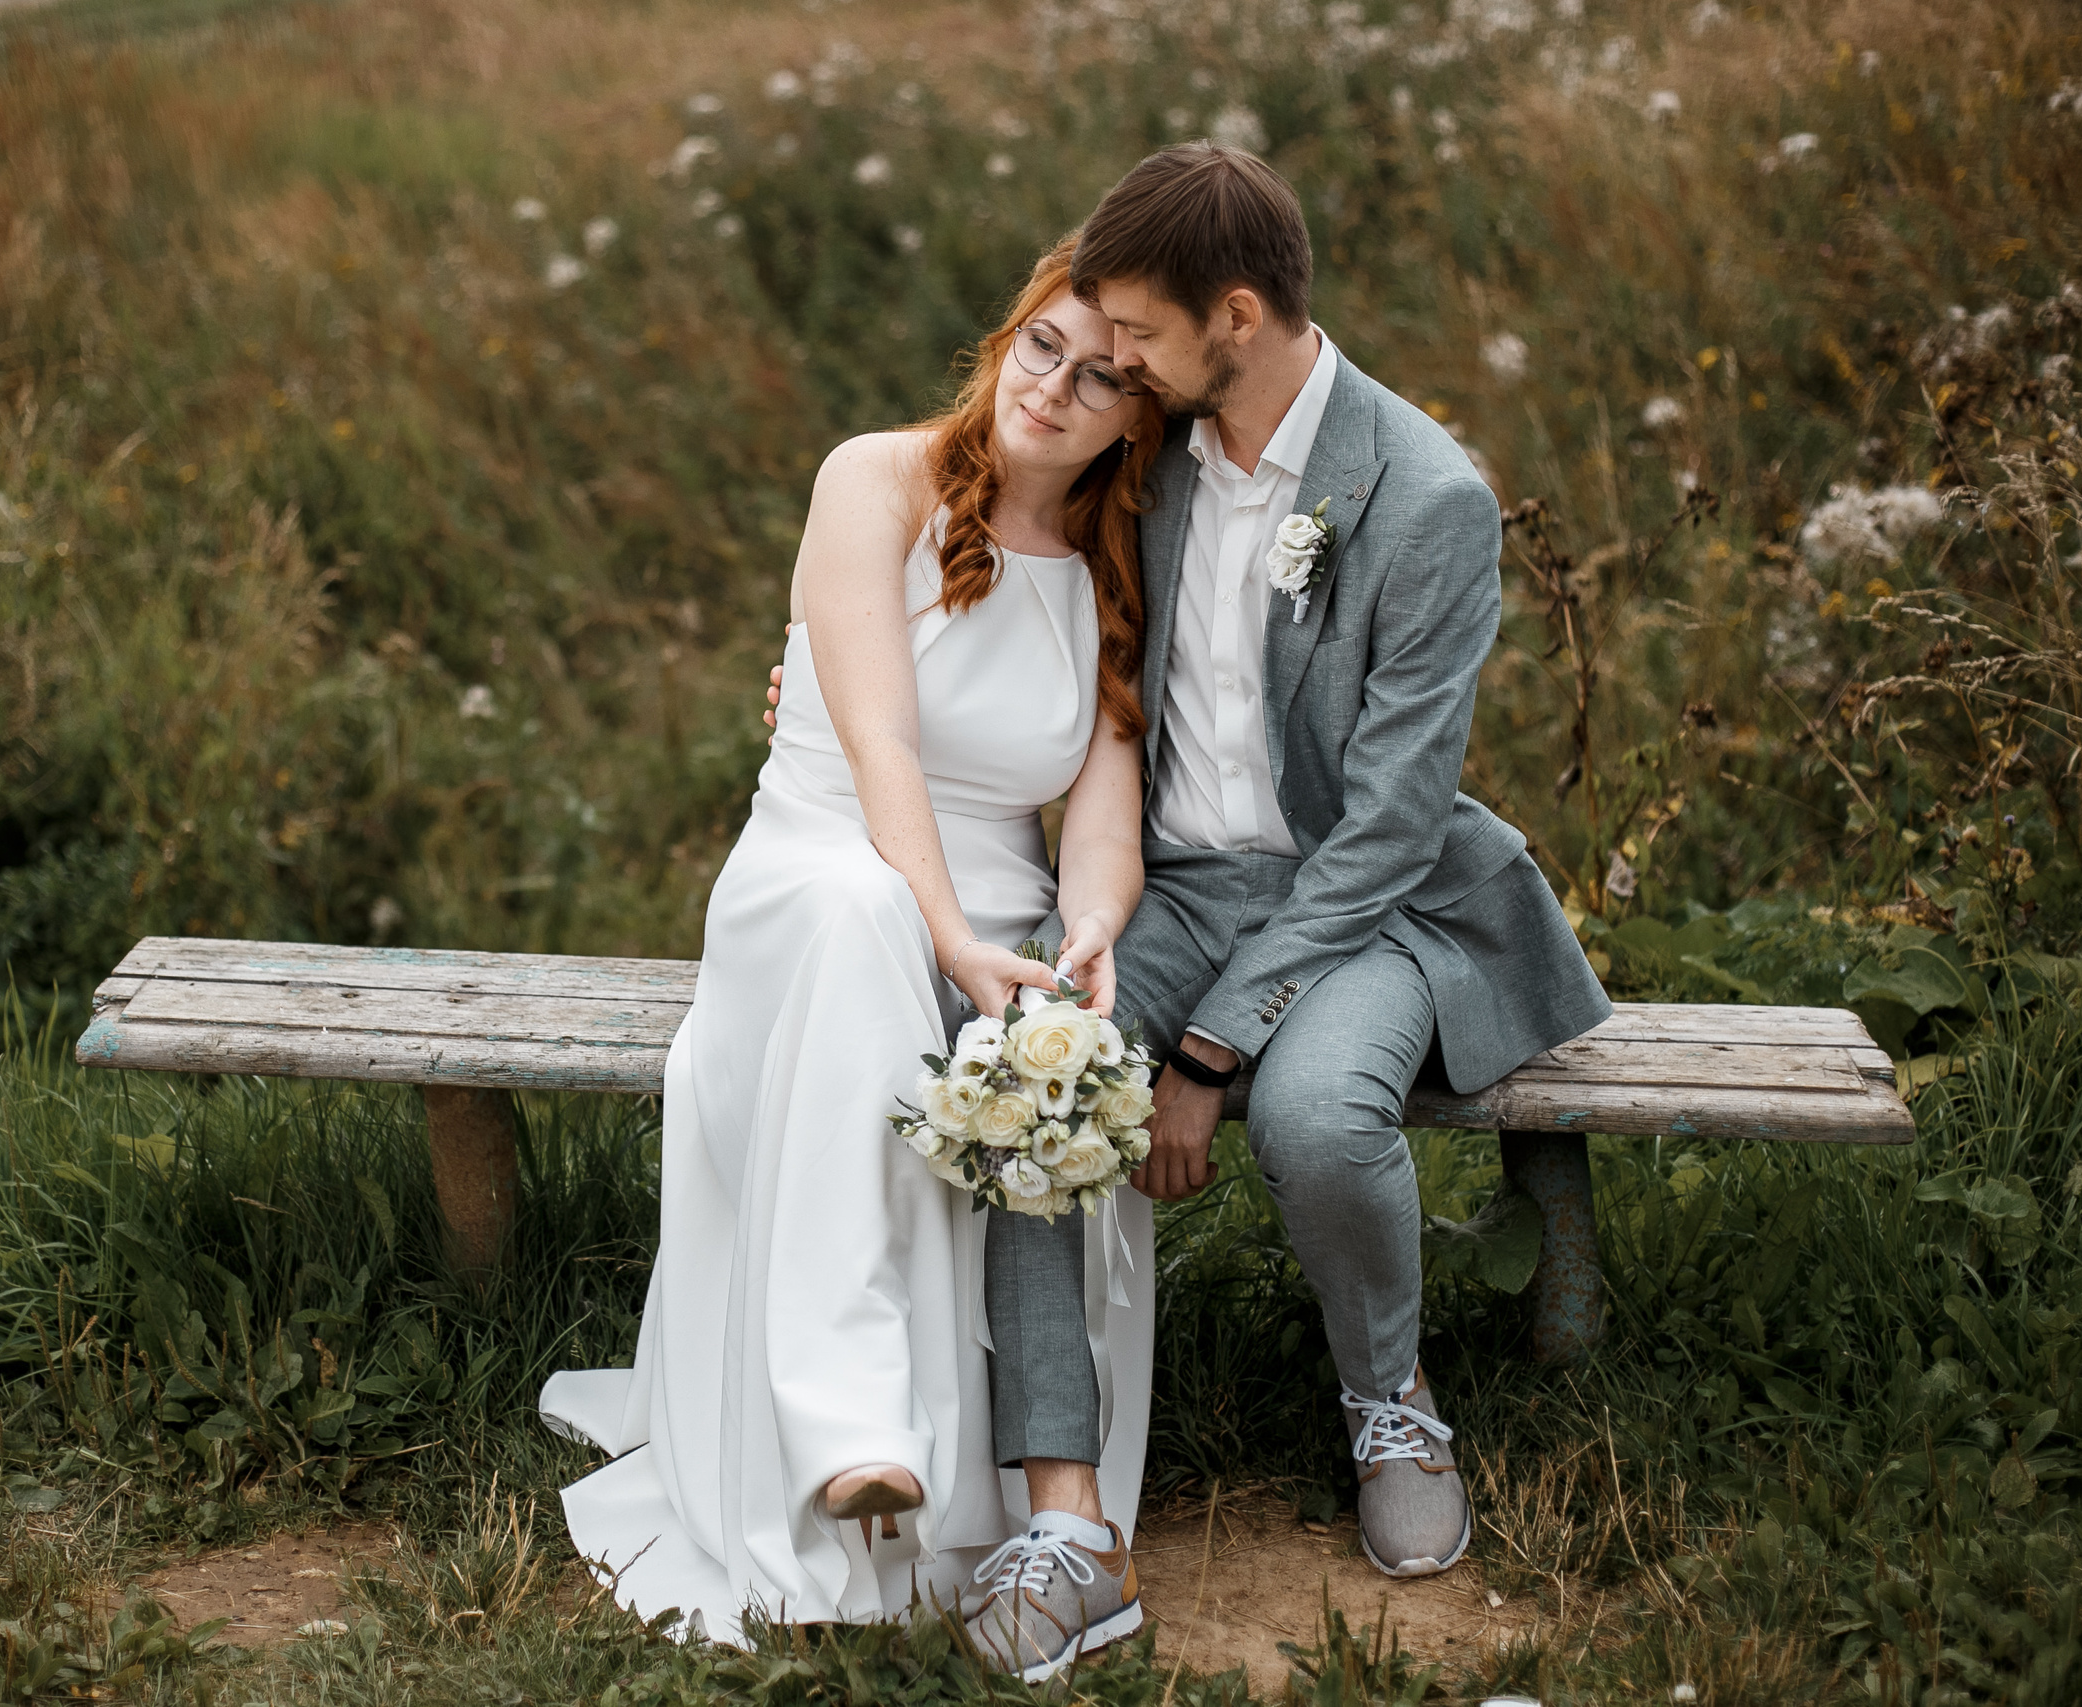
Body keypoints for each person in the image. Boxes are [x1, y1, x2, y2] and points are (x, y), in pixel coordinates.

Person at [925, 144, 1611, 1676]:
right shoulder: (1148, 448)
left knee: (1311, 1116)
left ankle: (1392, 1402)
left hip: (1369, 901)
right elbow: (990, 504)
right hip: (1167, 886)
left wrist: (1216, 1047)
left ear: (1235, 317)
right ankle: (1064, 1511)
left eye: (1142, 341)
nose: (1113, 366)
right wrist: (854, 694)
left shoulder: (1426, 496)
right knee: (1034, 1081)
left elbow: (1390, 823)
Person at [538, 237, 1168, 1648]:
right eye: (1044, 348)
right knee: (861, 912)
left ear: (1140, 417)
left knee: (1030, 1025)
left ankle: (1015, 1491)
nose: (1056, 389)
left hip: (994, 908)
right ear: (1007, 341)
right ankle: (845, 1427)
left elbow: (1106, 803)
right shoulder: (874, 478)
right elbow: (880, 740)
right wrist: (949, 937)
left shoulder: (1121, 557)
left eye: (1105, 378)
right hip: (822, 857)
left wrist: (1087, 935)